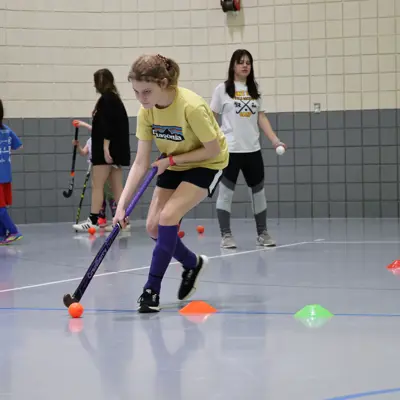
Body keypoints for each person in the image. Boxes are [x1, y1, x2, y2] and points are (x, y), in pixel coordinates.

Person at [113, 54, 229, 313]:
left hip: (206, 162)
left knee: (168, 217)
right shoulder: (146, 112)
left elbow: (211, 150)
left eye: (147, 91)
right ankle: (192, 263)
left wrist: (173, 161)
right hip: (173, 161)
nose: (141, 99)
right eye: (136, 92)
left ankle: (151, 290)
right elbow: (141, 163)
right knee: (154, 227)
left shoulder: (191, 107)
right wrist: (120, 206)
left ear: (164, 83)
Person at [210, 49, 286, 249]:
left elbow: (261, 117)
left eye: (248, 63)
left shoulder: (255, 89)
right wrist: (211, 142)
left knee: (258, 192)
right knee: (225, 193)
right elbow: (211, 117)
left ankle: (263, 233)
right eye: (240, 62)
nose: (245, 65)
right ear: (233, 66)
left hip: (252, 150)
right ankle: (226, 235)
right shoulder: (222, 89)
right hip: (230, 151)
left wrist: (275, 140)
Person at [73, 69, 131, 232]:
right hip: (115, 151)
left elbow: (107, 126)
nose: (94, 85)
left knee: (97, 184)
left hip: (106, 152)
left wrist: (105, 148)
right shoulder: (115, 99)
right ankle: (123, 220)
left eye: (95, 82)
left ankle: (93, 220)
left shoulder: (106, 100)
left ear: (101, 81)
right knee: (117, 187)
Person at [71, 128, 127, 229]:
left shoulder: (106, 138)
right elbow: (84, 152)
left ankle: (119, 218)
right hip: (97, 168)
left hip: (108, 167)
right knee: (99, 193)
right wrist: (78, 146)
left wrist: (82, 124)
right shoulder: (90, 140)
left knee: (112, 193)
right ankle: (100, 218)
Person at [0, 99, 23, 244]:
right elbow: (18, 146)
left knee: (0, 208)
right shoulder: (6, 130)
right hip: (5, 175)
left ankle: (13, 230)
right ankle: (2, 235)